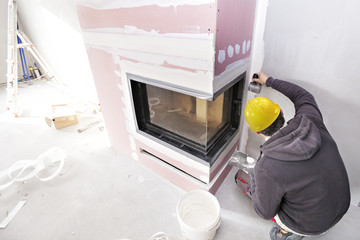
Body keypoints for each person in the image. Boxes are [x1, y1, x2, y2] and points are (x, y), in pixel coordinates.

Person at [236, 72, 351, 240]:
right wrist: (269, 81)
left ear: (256, 131)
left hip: (311, 226)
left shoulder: (266, 167)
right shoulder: (311, 120)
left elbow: (264, 212)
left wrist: (255, 178)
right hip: (341, 208)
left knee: (241, 179)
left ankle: (286, 233)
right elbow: (302, 95)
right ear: (281, 111)